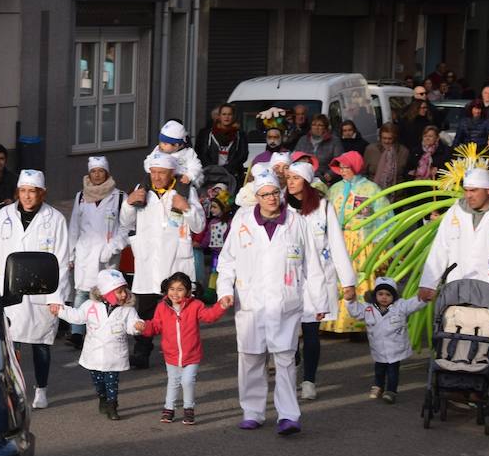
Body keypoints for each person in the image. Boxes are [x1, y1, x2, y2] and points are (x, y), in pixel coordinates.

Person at [215, 174, 325, 436]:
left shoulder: (297, 222)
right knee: (251, 357)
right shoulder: (242, 223)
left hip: (284, 302)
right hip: (250, 302)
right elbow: (227, 261)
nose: (272, 198)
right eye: (265, 194)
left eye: (275, 193)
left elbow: (313, 264)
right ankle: (252, 412)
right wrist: (224, 291)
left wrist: (319, 301)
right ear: (257, 197)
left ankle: (288, 415)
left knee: (286, 359)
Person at [0, 170, 69, 409]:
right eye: (23, 191)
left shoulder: (55, 219)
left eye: (32, 191)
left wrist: (56, 297)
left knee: (41, 343)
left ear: (41, 193)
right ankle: (15, 389)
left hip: (41, 291)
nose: (27, 197)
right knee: (12, 345)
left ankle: (41, 389)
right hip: (10, 290)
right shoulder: (4, 214)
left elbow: (62, 260)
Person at [121, 152, 204, 368]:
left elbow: (200, 226)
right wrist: (129, 204)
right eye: (154, 172)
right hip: (148, 261)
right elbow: (125, 222)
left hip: (176, 260)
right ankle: (142, 352)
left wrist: (185, 207)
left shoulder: (185, 190)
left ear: (172, 173)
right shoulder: (142, 189)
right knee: (145, 310)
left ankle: (183, 352)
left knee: (180, 311)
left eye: (162, 173)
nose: (156, 177)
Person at [286, 160, 356, 400]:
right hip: (288, 280)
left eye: (295, 178)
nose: (290, 182)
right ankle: (290, 371)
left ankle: (309, 381)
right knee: (289, 333)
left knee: (311, 332)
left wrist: (348, 281)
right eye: (288, 178)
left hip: (316, 280)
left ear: (306, 181)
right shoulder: (282, 208)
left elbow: (337, 245)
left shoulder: (323, 207)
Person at [418, 168, 489, 303]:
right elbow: (440, 248)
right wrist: (428, 283)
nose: (468, 195)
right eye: (466, 190)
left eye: (474, 190)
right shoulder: (455, 212)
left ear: (488, 190)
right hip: (457, 286)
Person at [137, 270, 228, 425]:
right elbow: (156, 326)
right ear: (166, 289)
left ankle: (188, 409)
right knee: (173, 381)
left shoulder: (196, 305)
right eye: (172, 289)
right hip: (171, 354)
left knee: (187, 381)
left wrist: (221, 306)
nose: (175, 293)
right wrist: (144, 327)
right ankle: (169, 409)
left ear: (188, 291)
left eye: (180, 289)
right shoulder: (162, 307)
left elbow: (209, 316)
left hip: (192, 354)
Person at [53, 268, 138, 420]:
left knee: (112, 381)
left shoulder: (128, 310)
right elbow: (77, 317)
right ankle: (103, 398)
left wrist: (138, 326)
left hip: (114, 354)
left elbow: (132, 325)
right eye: (119, 292)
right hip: (94, 353)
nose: (124, 295)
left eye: (124, 290)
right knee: (98, 381)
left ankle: (112, 406)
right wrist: (60, 311)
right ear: (106, 293)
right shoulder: (90, 305)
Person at [322, 151, 387, 335]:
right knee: (334, 279)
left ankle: (358, 323)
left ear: (356, 167)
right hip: (338, 239)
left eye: (346, 167)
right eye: (340, 168)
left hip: (360, 240)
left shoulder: (371, 189)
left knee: (359, 279)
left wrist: (379, 241)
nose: (343, 171)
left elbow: (383, 216)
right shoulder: (334, 189)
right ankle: (332, 322)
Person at [66, 156, 128, 348]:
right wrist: (71, 254)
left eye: (101, 171)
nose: (97, 174)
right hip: (85, 253)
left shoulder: (119, 197)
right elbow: (74, 226)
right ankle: (77, 332)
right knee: (82, 293)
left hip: (107, 255)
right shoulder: (80, 196)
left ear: (107, 173)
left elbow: (126, 227)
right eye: (93, 171)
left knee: (108, 293)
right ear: (89, 174)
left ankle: (106, 328)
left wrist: (113, 248)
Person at [344, 277, 424, 404]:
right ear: (375, 295)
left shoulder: (401, 306)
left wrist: (424, 297)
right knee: (379, 369)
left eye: (388, 294)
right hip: (378, 348)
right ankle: (378, 386)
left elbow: (414, 303)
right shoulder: (368, 309)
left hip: (395, 348)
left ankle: (391, 391)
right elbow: (355, 311)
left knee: (393, 371)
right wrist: (350, 301)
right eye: (380, 294)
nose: (384, 297)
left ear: (394, 296)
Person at [194, 104, 249, 185]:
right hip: (209, 175)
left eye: (229, 114)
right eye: (224, 114)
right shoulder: (206, 134)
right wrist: (214, 169)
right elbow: (200, 153)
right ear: (219, 116)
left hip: (232, 176)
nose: (227, 117)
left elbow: (243, 155)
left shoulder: (240, 135)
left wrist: (228, 168)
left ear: (233, 116)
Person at [143, 119, 204, 191]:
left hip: (182, 181)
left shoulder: (188, 153)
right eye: (160, 142)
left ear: (176, 145)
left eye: (165, 143)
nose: (160, 145)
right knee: (146, 182)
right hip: (162, 181)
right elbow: (148, 161)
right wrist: (152, 170)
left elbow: (196, 166)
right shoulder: (158, 150)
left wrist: (189, 176)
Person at [294, 116, 344, 184]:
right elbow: (294, 157)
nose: (316, 127)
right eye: (314, 124)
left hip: (325, 178)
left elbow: (339, 161)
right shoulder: (303, 140)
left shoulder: (334, 141)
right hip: (304, 177)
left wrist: (330, 174)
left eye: (320, 125)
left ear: (325, 127)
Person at [363, 123, 410, 193]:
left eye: (389, 139)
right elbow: (364, 172)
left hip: (397, 194)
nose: (386, 141)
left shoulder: (403, 152)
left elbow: (406, 175)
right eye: (384, 138)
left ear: (395, 138)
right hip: (373, 192)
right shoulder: (371, 150)